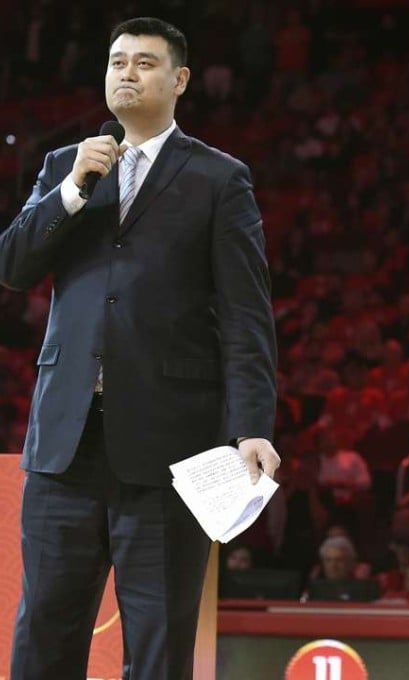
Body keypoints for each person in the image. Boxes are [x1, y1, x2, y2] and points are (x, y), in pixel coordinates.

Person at [0, 18, 279, 679]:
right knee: (44, 629)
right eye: (117, 61)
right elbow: (12, 266)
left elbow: (246, 316)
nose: (127, 72)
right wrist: (71, 193)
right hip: (64, 446)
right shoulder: (66, 168)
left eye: (145, 62)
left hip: (168, 449)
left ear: (179, 80)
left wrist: (250, 428)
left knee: (158, 642)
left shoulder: (220, 179)